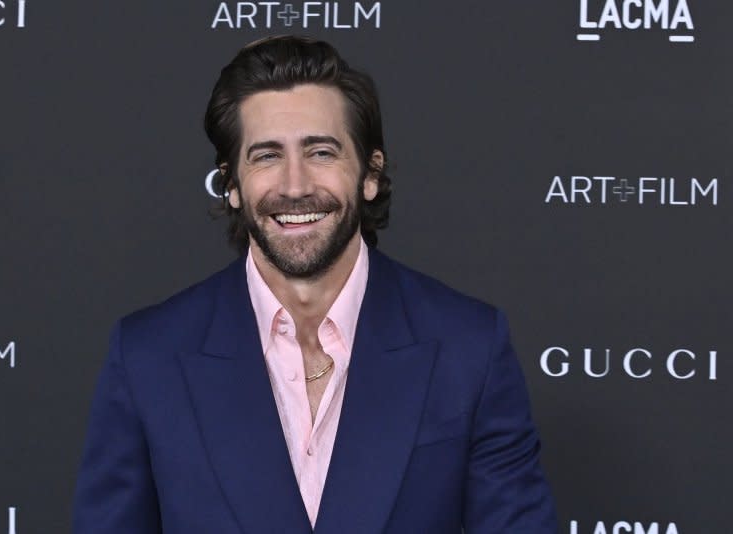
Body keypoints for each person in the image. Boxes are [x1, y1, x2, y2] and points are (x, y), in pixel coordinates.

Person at [73, 35, 557, 533]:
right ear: (233, 185)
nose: (295, 184)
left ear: (370, 173)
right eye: (266, 156)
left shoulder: (469, 347)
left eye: (321, 152)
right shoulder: (148, 355)